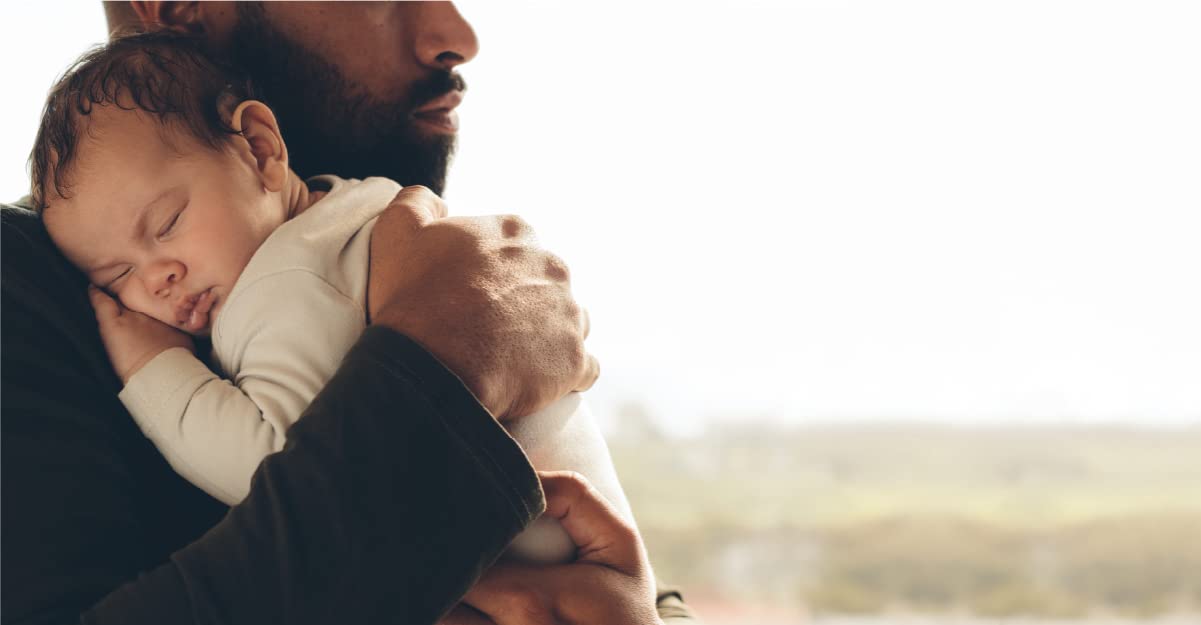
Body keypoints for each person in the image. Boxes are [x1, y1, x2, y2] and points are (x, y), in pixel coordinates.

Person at [1, 2, 696, 624]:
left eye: (170, 222)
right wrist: (445, 354)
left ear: (261, 148)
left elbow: (631, 575)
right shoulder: (28, 288)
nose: (456, 34)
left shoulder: (363, 245)